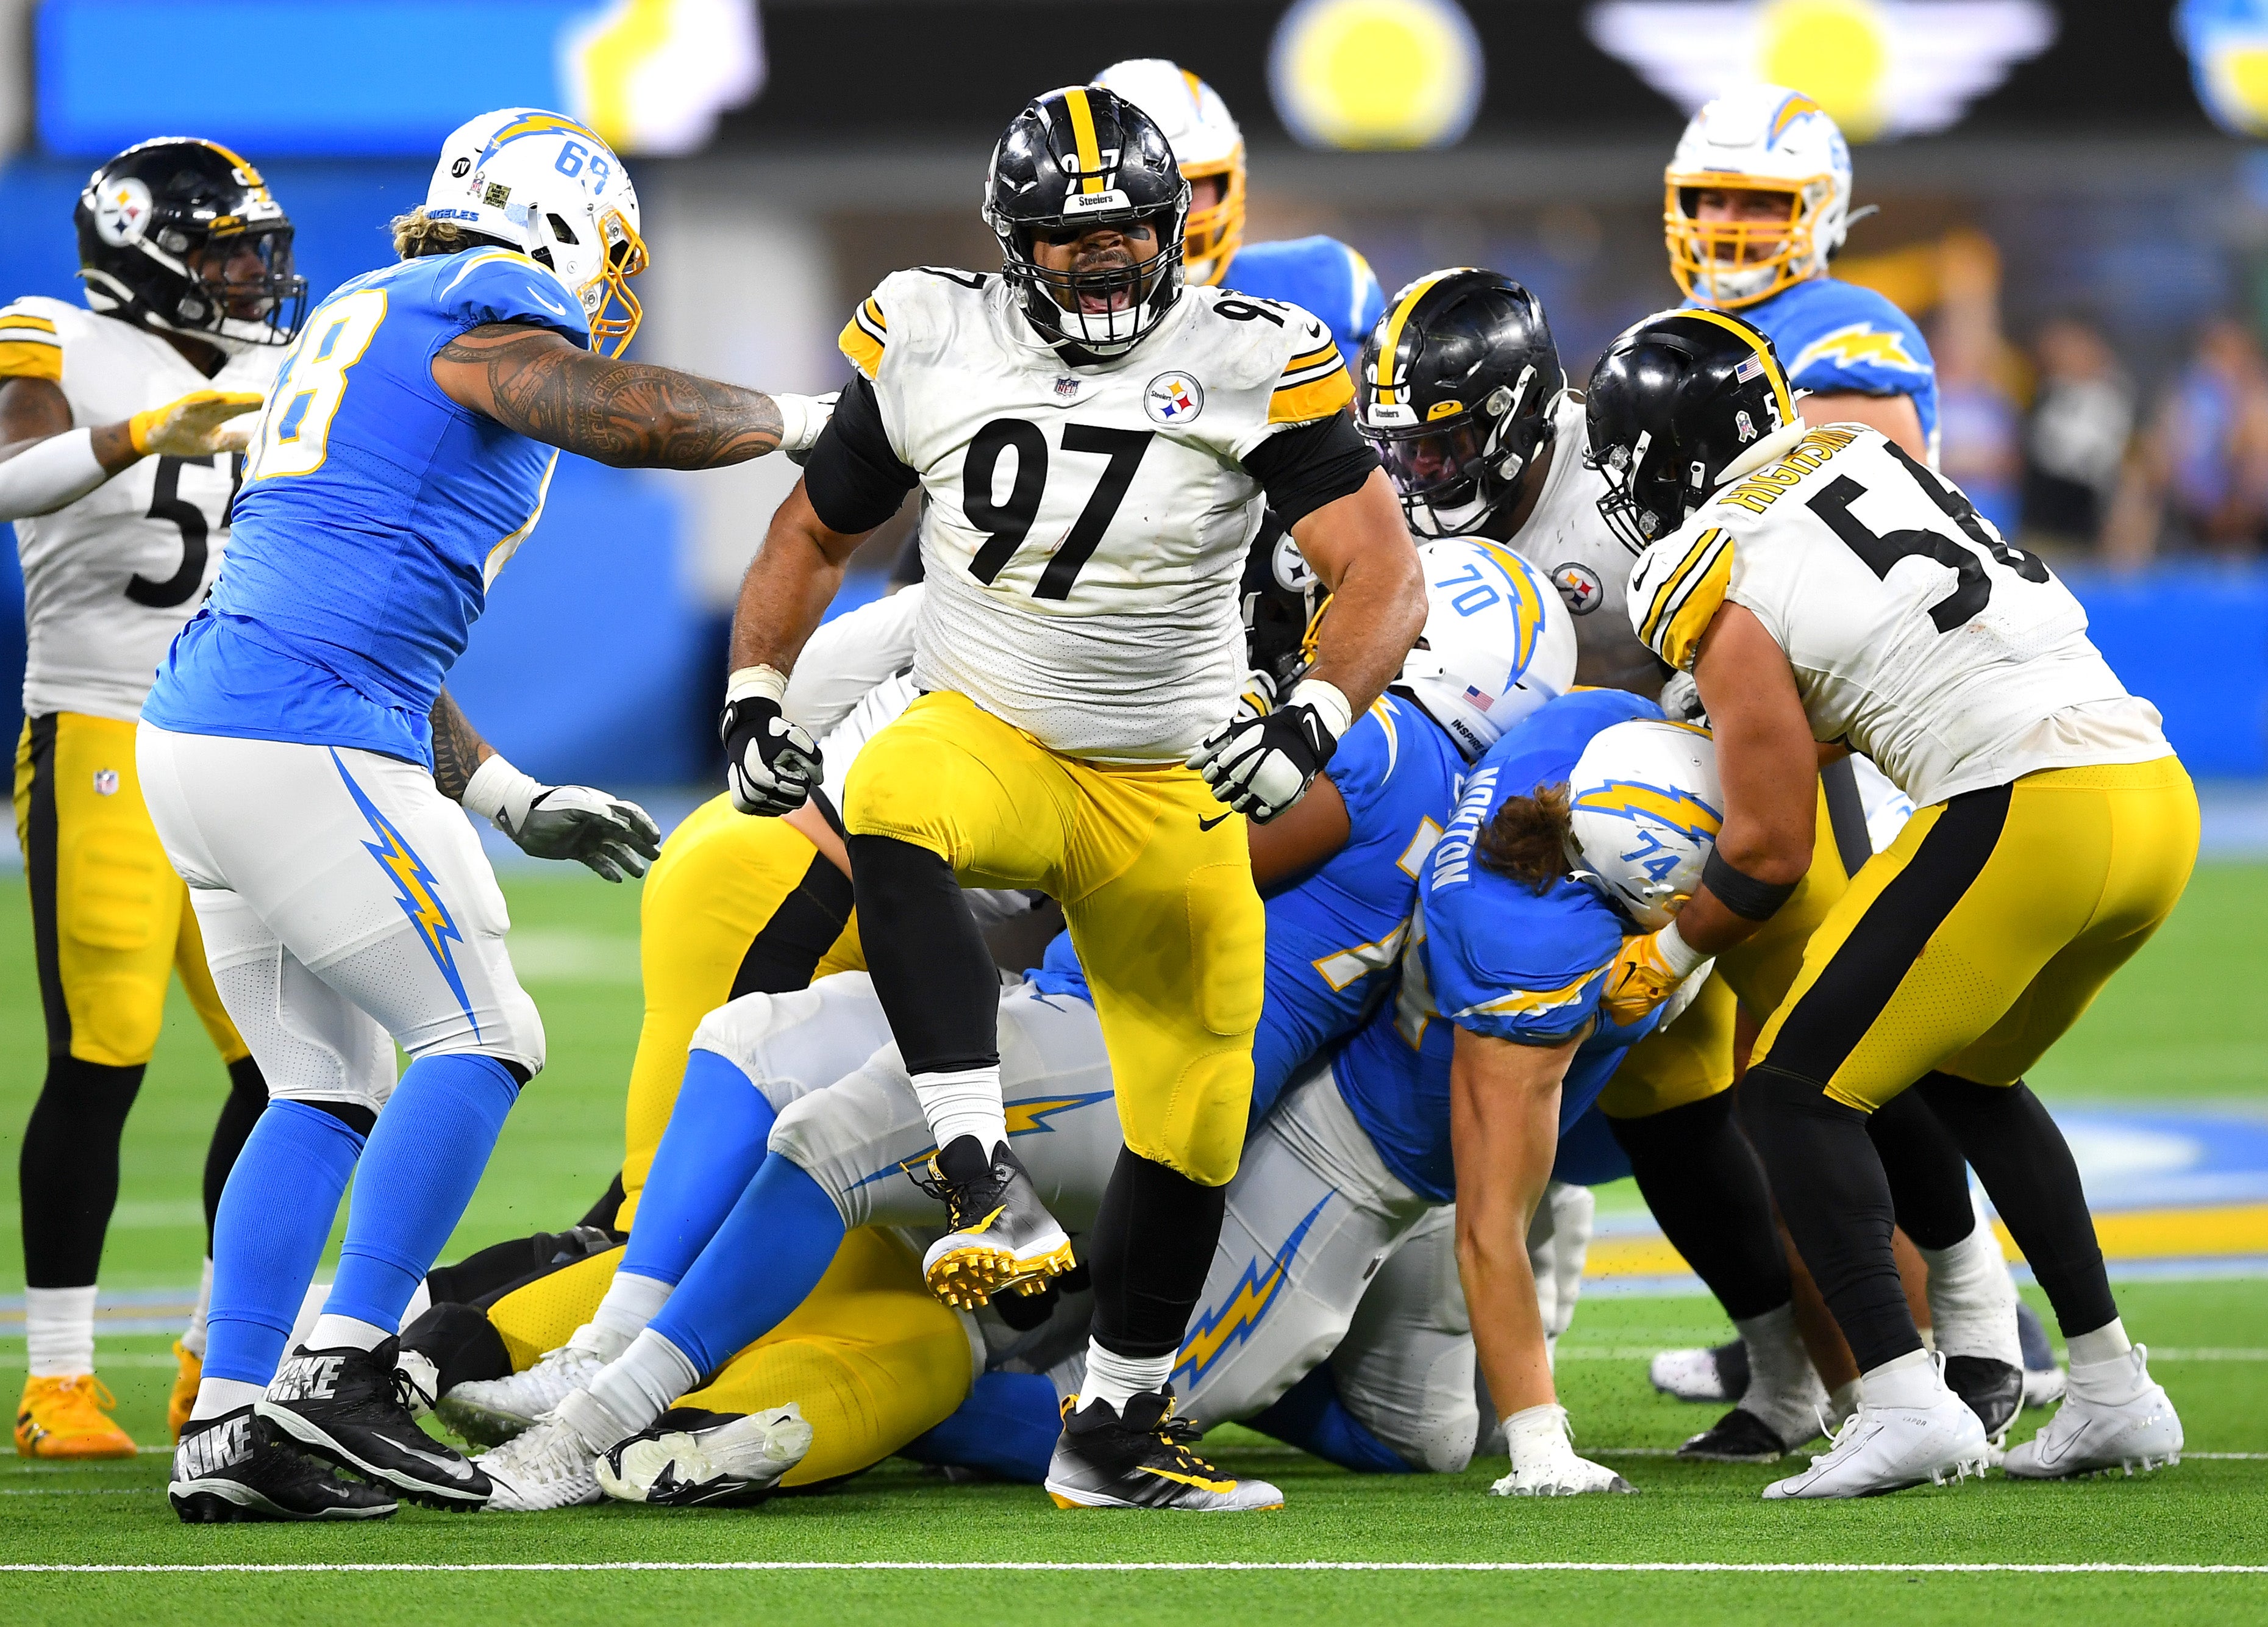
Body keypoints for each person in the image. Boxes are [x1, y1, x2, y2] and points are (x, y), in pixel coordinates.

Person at [447, 542, 1585, 1507]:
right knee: (761, 1037)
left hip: (1127, 1061)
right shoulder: (1454, 804)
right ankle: (612, 1348)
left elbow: (1169, 852)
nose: (1333, 632)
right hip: (1097, 1030)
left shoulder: (1379, 747)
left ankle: (591, 1424)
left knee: (831, 1143)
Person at [716, 85, 1424, 1511]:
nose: (1104, 261)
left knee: (1195, 1112)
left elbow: (1379, 572)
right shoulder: (929, 333)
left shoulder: (1250, 357)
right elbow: (814, 527)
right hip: (998, 736)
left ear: (1177, 231)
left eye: (1132, 233)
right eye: (1068, 239)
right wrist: (752, 688)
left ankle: (1113, 1423)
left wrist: (1313, 713)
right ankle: (980, 1170)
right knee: (893, 783)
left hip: (1171, 775)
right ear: (1009, 245)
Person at [146, 107, 833, 1523]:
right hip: (299, 736)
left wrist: (508, 791)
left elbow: (346, 601)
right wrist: (802, 422)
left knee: (323, 1086)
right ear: (557, 222)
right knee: (484, 1033)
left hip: (206, 733)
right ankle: (342, 1371)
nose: (604, 295)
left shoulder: (361, 308)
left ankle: (229, 1423)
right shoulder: (486, 296)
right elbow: (594, 404)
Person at [1599, 307, 2195, 1498]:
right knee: (1969, 1077)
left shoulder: (1705, 553)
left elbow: (1767, 850)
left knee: (1792, 1091)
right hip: (2150, 794)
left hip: (2028, 803)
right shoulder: (1866, 454)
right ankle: (2115, 1387)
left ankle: (1902, 1396)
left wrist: (1667, 950)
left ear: (1662, 451)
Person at [2, 138, 301, 1460]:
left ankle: (210, 1349)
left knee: (285, 1061)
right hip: (99, 726)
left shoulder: (284, 368)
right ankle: (59, 1378)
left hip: (242, 737)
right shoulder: (52, 333)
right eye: (225, 248)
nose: (249, 272)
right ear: (142, 251)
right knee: (104, 1050)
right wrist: (138, 432)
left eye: (256, 247)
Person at [1666, 85, 1936, 465]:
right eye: (1713, 201)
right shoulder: (1691, 313)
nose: (1725, 226)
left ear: (1820, 212)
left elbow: (1891, 503)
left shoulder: (1851, 324)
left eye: (1759, 204)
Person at [1091, 59, 1382, 370]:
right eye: (1142, 193)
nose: (1170, 213)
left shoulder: (1318, 287)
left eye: (1189, 186)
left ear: (1229, 184)